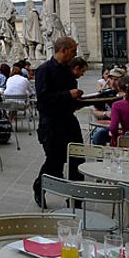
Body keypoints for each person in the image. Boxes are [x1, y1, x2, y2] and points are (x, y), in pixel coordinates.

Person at [32, 37, 83, 208]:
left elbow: (69, 97)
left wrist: (79, 100)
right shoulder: (44, 70)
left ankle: (76, 197)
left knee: (77, 158)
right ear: (63, 50)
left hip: (69, 121)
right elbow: (43, 99)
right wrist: (68, 95)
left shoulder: (68, 72)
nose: (74, 55)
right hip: (51, 124)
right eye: (73, 51)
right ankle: (39, 187)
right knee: (55, 161)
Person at [91, 67, 125, 146]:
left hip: (126, 126)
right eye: (111, 79)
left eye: (116, 79)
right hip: (107, 126)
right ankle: (100, 157)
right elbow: (95, 111)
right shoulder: (105, 95)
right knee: (98, 135)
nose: (113, 82)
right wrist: (105, 114)